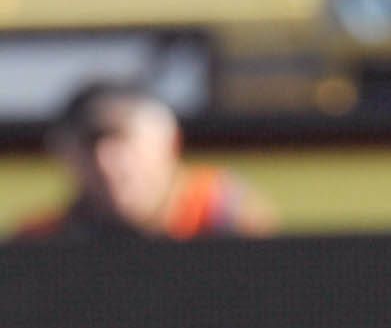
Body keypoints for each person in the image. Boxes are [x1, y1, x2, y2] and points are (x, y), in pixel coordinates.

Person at [15, 81, 273, 242]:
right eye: (89, 145)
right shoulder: (43, 242)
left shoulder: (220, 216)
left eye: (122, 139)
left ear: (169, 142)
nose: (106, 161)